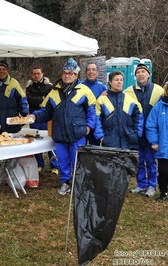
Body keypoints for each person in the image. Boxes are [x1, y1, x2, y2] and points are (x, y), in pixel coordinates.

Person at [29, 58, 96, 195]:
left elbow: (92, 111)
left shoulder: (84, 90)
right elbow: (46, 111)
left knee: (78, 160)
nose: (67, 75)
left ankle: (79, 185)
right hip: (59, 134)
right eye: (65, 72)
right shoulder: (54, 91)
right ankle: (65, 183)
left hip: (77, 133)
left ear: (76, 75)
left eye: (70, 73)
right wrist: (35, 116)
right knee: (63, 161)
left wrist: (89, 127)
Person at [123, 63, 165, 197]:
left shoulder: (159, 90)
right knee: (139, 160)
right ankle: (141, 184)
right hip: (136, 133)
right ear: (135, 76)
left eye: (143, 71)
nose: (140, 74)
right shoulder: (128, 91)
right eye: (138, 72)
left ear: (149, 74)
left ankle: (151, 185)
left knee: (151, 161)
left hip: (152, 133)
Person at [94, 71, 143, 150]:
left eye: (121, 80)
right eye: (116, 80)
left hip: (129, 141)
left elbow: (139, 117)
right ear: (110, 82)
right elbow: (97, 120)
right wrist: (101, 137)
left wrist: (137, 134)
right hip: (109, 141)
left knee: (129, 162)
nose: (119, 82)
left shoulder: (130, 99)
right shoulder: (102, 100)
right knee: (110, 162)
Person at [26, 66, 59, 175]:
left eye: (38, 73)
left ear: (42, 74)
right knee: (36, 142)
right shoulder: (29, 87)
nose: (37, 75)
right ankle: (39, 164)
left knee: (50, 141)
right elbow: (30, 100)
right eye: (34, 74)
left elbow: (50, 100)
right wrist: (42, 98)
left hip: (47, 118)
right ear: (32, 75)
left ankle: (54, 165)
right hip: (34, 119)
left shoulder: (49, 86)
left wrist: (39, 100)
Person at [0, 60, 29, 133]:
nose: (2, 71)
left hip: (12, 121)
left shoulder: (14, 83)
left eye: (4, 69)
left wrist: (24, 114)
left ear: (7, 71)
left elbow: (22, 99)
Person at [82, 63, 108, 145]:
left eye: (93, 69)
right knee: (81, 149)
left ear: (98, 72)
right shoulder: (80, 87)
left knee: (94, 150)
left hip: (96, 124)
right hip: (82, 123)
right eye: (88, 70)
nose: (91, 72)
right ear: (85, 73)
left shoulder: (103, 88)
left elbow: (105, 107)